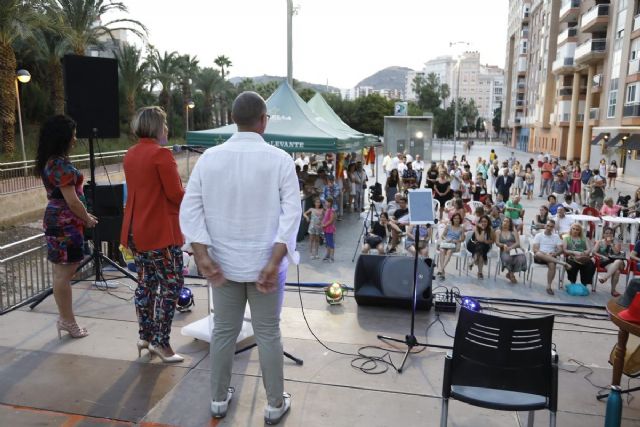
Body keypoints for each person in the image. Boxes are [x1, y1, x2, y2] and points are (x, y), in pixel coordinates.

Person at [179, 92, 299, 422]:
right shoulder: (280, 160)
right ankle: (275, 404)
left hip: (223, 266)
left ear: (233, 119)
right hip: (265, 267)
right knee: (268, 333)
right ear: (263, 120)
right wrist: (274, 262)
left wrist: (202, 257)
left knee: (223, 332)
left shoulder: (209, 158)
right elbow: (291, 216)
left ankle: (218, 399)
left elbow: (190, 211)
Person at [120, 107, 186, 362]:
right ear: (158, 127)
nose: (167, 129)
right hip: (159, 233)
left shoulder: (131, 153)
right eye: (165, 124)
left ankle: (144, 336)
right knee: (171, 285)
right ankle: (161, 342)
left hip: (136, 231)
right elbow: (175, 195)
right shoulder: (161, 155)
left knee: (146, 284)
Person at [36, 115, 97, 339]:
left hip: (59, 220)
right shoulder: (59, 164)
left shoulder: (51, 161)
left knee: (61, 273)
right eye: (73, 133)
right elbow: (71, 200)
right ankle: (67, 321)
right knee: (64, 274)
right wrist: (87, 218)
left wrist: (84, 215)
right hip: (65, 223)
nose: (75, 138)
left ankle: (66, 319)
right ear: (64, 136)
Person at [532, 220, 570, 295]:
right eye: (548, 225)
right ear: (545, 225)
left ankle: (549, 286)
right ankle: (562, 263)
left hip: (551, 257)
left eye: (551, 226)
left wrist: (555, 253)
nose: (549, 228)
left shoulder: (556, 236)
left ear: (553, 228)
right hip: (540, 256)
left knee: (552, 264)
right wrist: (545, 253)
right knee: (538, 253)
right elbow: (535, 249)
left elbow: (560, 249)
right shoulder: (538, 235)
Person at [562, 223, 595, 290]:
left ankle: (584, 284)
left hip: (583, 256)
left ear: (580, 231)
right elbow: (564, 250)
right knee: (572, 265)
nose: (575, 230)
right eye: (573, 229)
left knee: (590, 265)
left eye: (577, 229)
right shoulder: (566, 238)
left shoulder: (584, 238)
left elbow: (589, 249)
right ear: (571, 229)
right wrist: (574, 252)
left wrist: (585, 252)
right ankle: (572, 282)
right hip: (572, 257)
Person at [593, 227, 625, 297]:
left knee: (618, 261)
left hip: (618, 262)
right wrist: (602, 256)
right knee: (617, 272)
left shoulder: (616, 242)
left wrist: (611, 244)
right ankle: (613, 291)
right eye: (606, 233)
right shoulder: (599, 242)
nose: (608, 235)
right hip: (606, 262)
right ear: (603, 234)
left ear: (613, 235)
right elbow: (594, 252)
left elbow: (617, 253)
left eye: (610, 233)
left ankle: (605, 278)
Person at [495, 217, 527, 283]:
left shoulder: (513, 231)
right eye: (504, 221)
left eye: (508, 222)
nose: (506, 223)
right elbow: (497, 243)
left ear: (510, 223)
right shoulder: (498, 231)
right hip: (504, 250)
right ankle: (511, 275)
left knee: (521, 258)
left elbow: (518, 243)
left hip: (515, 248)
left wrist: (511, 247)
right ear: (502, 222)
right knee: (507, 259)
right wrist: (503, 245)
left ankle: (511, 273)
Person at [437, 213, 465, 279]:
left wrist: (456, 241)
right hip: (447, 242)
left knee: (449, 251)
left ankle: (441, 269)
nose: (456, 220)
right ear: (453, 219)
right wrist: (447, 239)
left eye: (458, 218)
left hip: (454, 244)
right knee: (442, 250)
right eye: (455, 218)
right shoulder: (448, 226)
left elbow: (463, 239)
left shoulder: (461, 228)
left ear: (460, 219)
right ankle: (442, 271)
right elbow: (443, 235)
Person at [466, 215, 494, 279]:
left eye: (485, 222)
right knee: (480, 248)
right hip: (472, 244)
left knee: (481, 249)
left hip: (484, 245)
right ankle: (480, 273)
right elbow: (480, 239)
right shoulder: (476, 228)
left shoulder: (490, 229)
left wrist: (487, 242)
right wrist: (483, 230)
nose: (483, 223)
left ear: (488, 222)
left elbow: (493, 240)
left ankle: (473, 260)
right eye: (482, 222)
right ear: (480, 222)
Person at [322, 197, 337, 262]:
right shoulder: (327, 209)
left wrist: (325, 225)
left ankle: (332, 257)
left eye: (327, 202)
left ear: (330, 203)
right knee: (327, 243)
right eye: (325, 202)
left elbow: (331, 220)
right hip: (325, 229)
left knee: (331, 243)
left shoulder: (332, 210)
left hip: (329, 229)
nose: (326, 203)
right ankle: (327, 255)